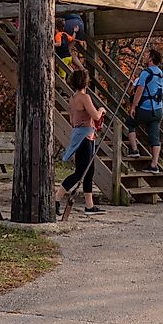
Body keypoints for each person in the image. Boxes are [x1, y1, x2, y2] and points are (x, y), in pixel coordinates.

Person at [54, 68, 104, 216]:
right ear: (85, 81)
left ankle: (89, 205)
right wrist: (101, 110)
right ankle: (56, 198)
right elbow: (95, 115)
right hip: (84, 137)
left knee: (89, 170)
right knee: (81, 172)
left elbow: (72, 119)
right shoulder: (84, 97)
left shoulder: (72, 98)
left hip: (80, 134)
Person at [125, 48, 163, 172]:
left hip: (145, 108)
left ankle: (134, 150)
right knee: (154, 137)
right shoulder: (162, 74)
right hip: (158, 110)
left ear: (151, 59)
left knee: (130, 124)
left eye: (146, 55)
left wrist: (133, 106)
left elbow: (139, 91)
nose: (144, 57)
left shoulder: (146, 73)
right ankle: (154, 165)